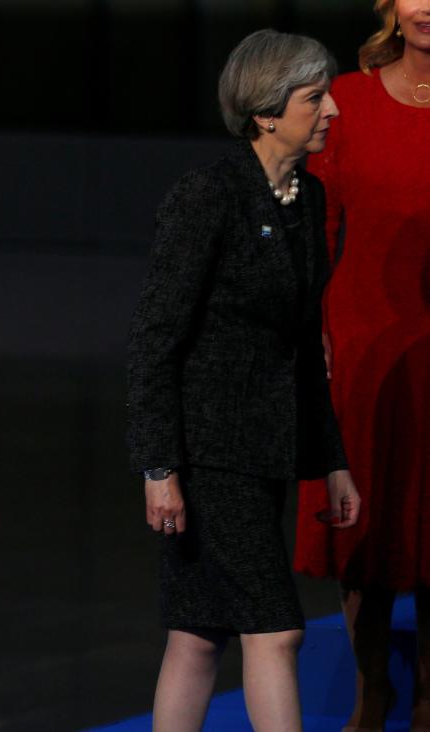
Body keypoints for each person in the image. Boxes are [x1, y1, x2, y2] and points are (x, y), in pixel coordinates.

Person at [126, 29, 363, 731]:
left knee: (198, 634)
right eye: (315, 98)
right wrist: (158, 465)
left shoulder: (308, 200)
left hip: (267, 455)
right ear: (265, 111)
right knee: (276, 629)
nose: (332, 112)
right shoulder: (208, 196)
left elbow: (298, 344)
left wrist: (334, 461)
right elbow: (154, 339)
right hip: (207, 456)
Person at [291, 2, 430, 728]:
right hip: (363, 341)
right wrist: (308, 326)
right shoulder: (345, 101)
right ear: (390, 8)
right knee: (364, 521)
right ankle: (371, 693)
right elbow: (314, 227)